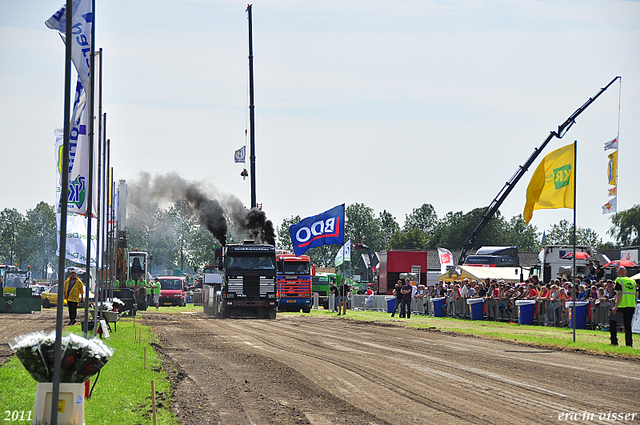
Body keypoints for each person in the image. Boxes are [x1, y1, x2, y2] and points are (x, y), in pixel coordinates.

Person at [610, 266, 638, 347]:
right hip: (631, 306)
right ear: (625, 272)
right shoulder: (632, 282)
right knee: (628, 326)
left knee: (612, 323)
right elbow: (636, 294)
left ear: (618, 273)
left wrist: (616, 306)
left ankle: (614, 342)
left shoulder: (619, 280)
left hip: (621, 306)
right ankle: (629, 344)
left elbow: (619, 294)